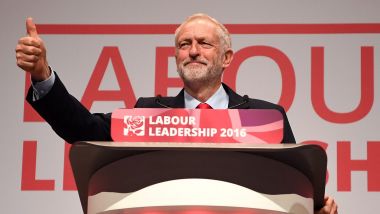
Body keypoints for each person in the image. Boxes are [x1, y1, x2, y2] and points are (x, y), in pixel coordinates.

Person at [16, 13, 337, 214]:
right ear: (176, 57)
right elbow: (81, 128)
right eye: (184, 44)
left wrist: (315, 209)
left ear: (226, 57)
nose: (193, 50)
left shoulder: (267, 116)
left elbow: (294, 183)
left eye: (203, 43)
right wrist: (43, 74)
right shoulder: (147, 113)